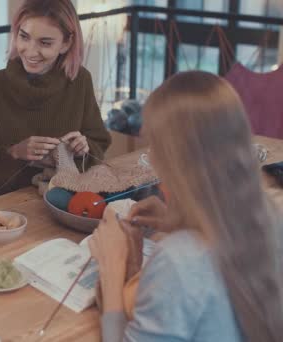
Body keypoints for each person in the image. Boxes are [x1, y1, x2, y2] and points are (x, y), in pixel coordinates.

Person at [89, 71, 283, 342]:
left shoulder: (178, 261)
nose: (152, 157)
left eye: (155, 145)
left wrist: (112, 268)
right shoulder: (272, 212)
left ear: (178, 161)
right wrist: (178, 220)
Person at [0, 0, 111, 204]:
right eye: (24, 37)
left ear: (66, 43)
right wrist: (14, 153)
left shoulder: (80, 81)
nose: (30, 51)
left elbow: (98, 144)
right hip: (1, 210)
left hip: (63, 203)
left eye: (45, 43)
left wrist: (84, 148)